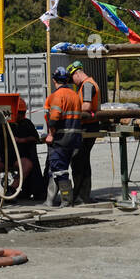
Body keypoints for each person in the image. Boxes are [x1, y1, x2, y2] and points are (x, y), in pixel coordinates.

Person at [44, 67, 82, 206]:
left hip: (61, 138)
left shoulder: (56, 96)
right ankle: (49, 201)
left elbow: (54, 118)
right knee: (58, 169)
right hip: (75, 138)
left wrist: (50, 134)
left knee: (58, 169)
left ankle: (66, 200)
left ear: (54, 80)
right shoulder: (75, 95)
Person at [68, 60, 101, 203]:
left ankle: (81, 195)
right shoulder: (88, 84)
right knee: (83, 159)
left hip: (88, 126)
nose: (73, 82)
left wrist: (70, 113)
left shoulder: (87, 85)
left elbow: (86, 106)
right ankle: (83, 195)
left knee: (79, 160)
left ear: (77, 74)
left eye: (72, 79)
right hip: (89, 126)